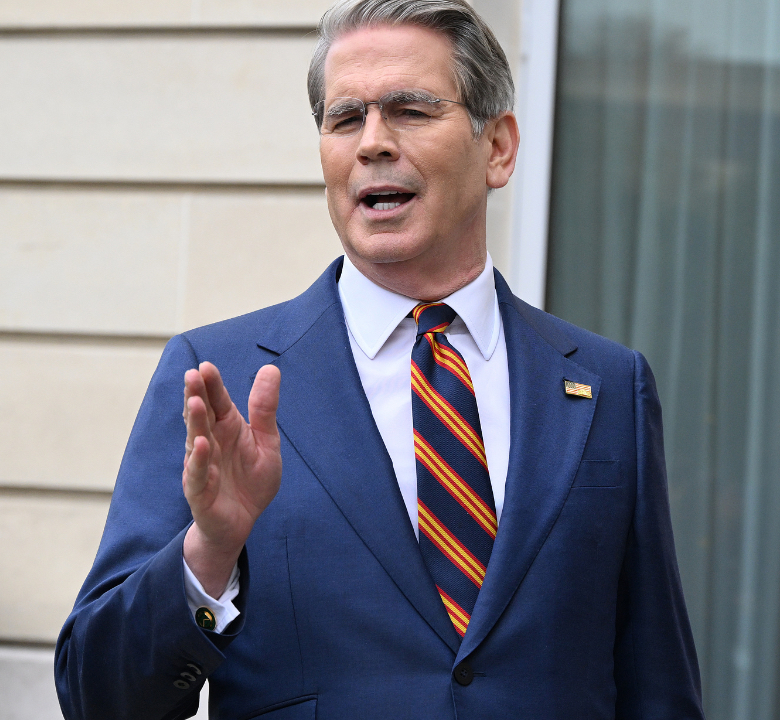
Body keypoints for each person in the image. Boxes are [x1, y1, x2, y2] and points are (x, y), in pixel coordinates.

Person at [55, 1, 703, 718]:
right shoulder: (219, 377)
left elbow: (659, 689)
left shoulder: (607, 386)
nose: (372, 143)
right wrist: (209, 551)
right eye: (344, 118)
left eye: (412, 110)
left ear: (499, 148)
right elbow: (98, 698)